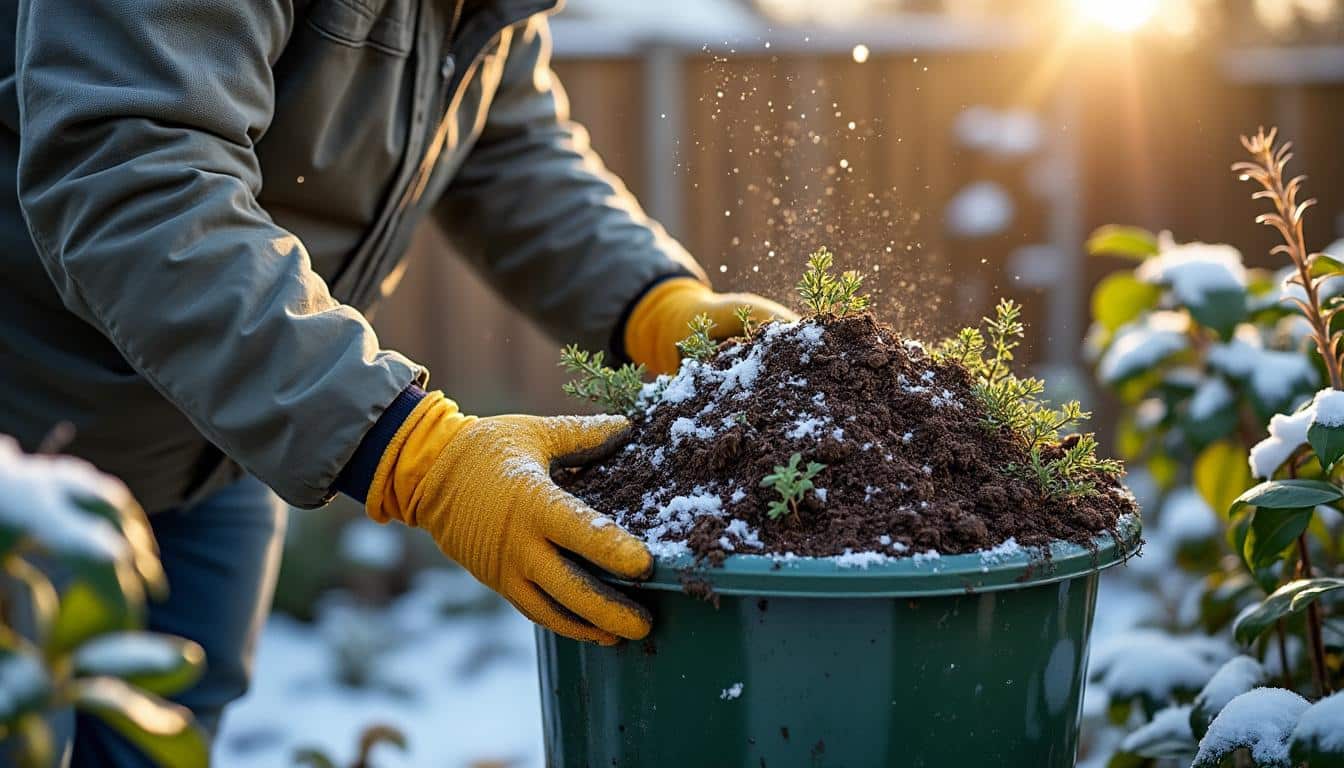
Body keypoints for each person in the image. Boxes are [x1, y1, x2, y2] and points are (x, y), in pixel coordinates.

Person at [0, 0, 794, 763]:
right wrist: (415, 456)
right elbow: (132, 180)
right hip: (28, 442)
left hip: (219, 441)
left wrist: (653, 307)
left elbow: (504, 145)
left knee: (156, 746)